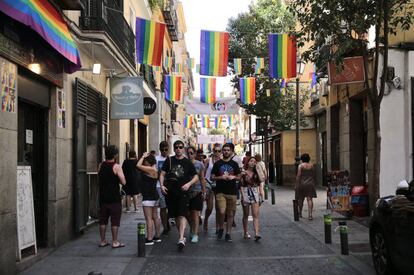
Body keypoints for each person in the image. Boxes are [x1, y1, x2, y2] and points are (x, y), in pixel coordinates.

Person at [159, 140, 199, 250]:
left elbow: (196, 176)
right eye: (176, 147)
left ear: (183, 148)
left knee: (182, 214)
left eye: (180, 147)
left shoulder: (187, 162)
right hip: (171, 192)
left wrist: (188, 184)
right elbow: (162, 174)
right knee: (176, 215)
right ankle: (181, 235)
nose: (178, 149)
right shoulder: (169, 160)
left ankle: (181, 237)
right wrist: (162, 185)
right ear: (173, 148)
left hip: (183, 193)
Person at [211, 143, 241, 242]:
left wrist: (234, 177)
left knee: (230, 214)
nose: (226, 152)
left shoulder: (234, 164)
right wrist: (221, 177)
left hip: (232, 192)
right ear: (222, 151)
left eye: (228, 150)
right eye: (224, 150)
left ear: (232, 152)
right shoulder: (217, 164)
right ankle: (221, 228)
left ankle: (228, 233)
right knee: (222, 211)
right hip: (220, 192)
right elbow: (212, 177)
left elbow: (239, 176)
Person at [98, 145, 126, 248]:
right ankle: (115, 241)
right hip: (114, 197)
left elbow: (100, 177)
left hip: (103, 197)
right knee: (115, 220)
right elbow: (123, 182)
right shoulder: (116, 167)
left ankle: (102, 241)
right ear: (115, 155)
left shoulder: (101, 165)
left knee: (103, 220)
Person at [137, 152, 161, 245]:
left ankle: (150, 238)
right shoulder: (154, 169)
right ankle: (157, 236)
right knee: (155, 217)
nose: (144, 162)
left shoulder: (149, 169)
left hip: (148, 197)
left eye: (145, 161)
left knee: (148, 219)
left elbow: (138, 165)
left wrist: (143, 156)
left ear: (148, 161)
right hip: (155, 196)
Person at [240, 157, 263, 241]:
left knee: (255, 214)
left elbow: (260, 182)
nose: (253, 163)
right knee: (245, 214)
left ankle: (257, 233)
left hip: (254, 193)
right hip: (246, 192)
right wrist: (243, 196)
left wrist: (261, 196)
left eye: (254, 162)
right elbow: (241, 185)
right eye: (251, 161)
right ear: (248, 162)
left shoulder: (256, 173)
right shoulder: (243, 173)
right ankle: (245, 232)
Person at [186, 146, 206, 243]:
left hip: (197, 191)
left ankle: (195, 233)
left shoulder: (200, 164)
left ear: (194, 154)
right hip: (186, 191)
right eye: (188, 153)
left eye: (191, 153)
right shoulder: (184, 163)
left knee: (195, 214)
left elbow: (202, 178)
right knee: (187, 214)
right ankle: (192, 228)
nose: (189, 155)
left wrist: (204, 191)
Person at [203, 143, 221, 232]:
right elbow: (203, 172)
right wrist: (203, 182)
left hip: (218, 184)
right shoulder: (208, 160)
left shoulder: (222, 161)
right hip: (208, 183)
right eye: (215, 151)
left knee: (218, 207)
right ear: (213, 151)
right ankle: (206, 220)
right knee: (209, 207)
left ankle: (217, 226)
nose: (217, 152)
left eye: (219, 151)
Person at [295, 153, 317, 220]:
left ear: (302, 159)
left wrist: (296, 184)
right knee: (309, 199)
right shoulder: (312, 166)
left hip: (302, 184)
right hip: (310, 184)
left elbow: (299, 176)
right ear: (308, 159)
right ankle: (310, 215)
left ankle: (300, 214)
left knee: (301, 199)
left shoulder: (300, 166)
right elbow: (314, 175)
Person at [156, 141, 170, 235]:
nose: (164, 151)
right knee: (163, 207)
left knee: (171, 207)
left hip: (171, 186)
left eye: (166, 149)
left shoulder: (172, 158)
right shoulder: (156, 159)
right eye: (162, 150)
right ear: (160, 149)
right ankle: (165, 227)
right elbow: (154, 172)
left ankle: (166, 220)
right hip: (159, 186)